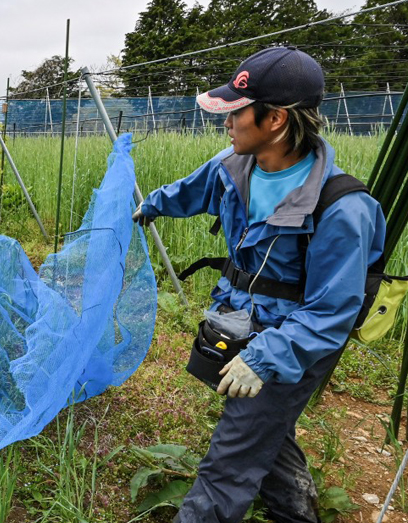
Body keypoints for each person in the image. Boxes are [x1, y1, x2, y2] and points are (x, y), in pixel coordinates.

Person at [132, 46, 386, 522]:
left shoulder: (341, 209)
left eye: (237, 111)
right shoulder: (235, 166)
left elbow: (333, 311)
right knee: (265, 426)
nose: (226, 122)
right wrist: (151, 206)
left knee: (229, 463)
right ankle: (296, 511)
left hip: (294, 341)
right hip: (244, 319)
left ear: (275, 120)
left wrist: (263, 358)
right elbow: (192, 189)